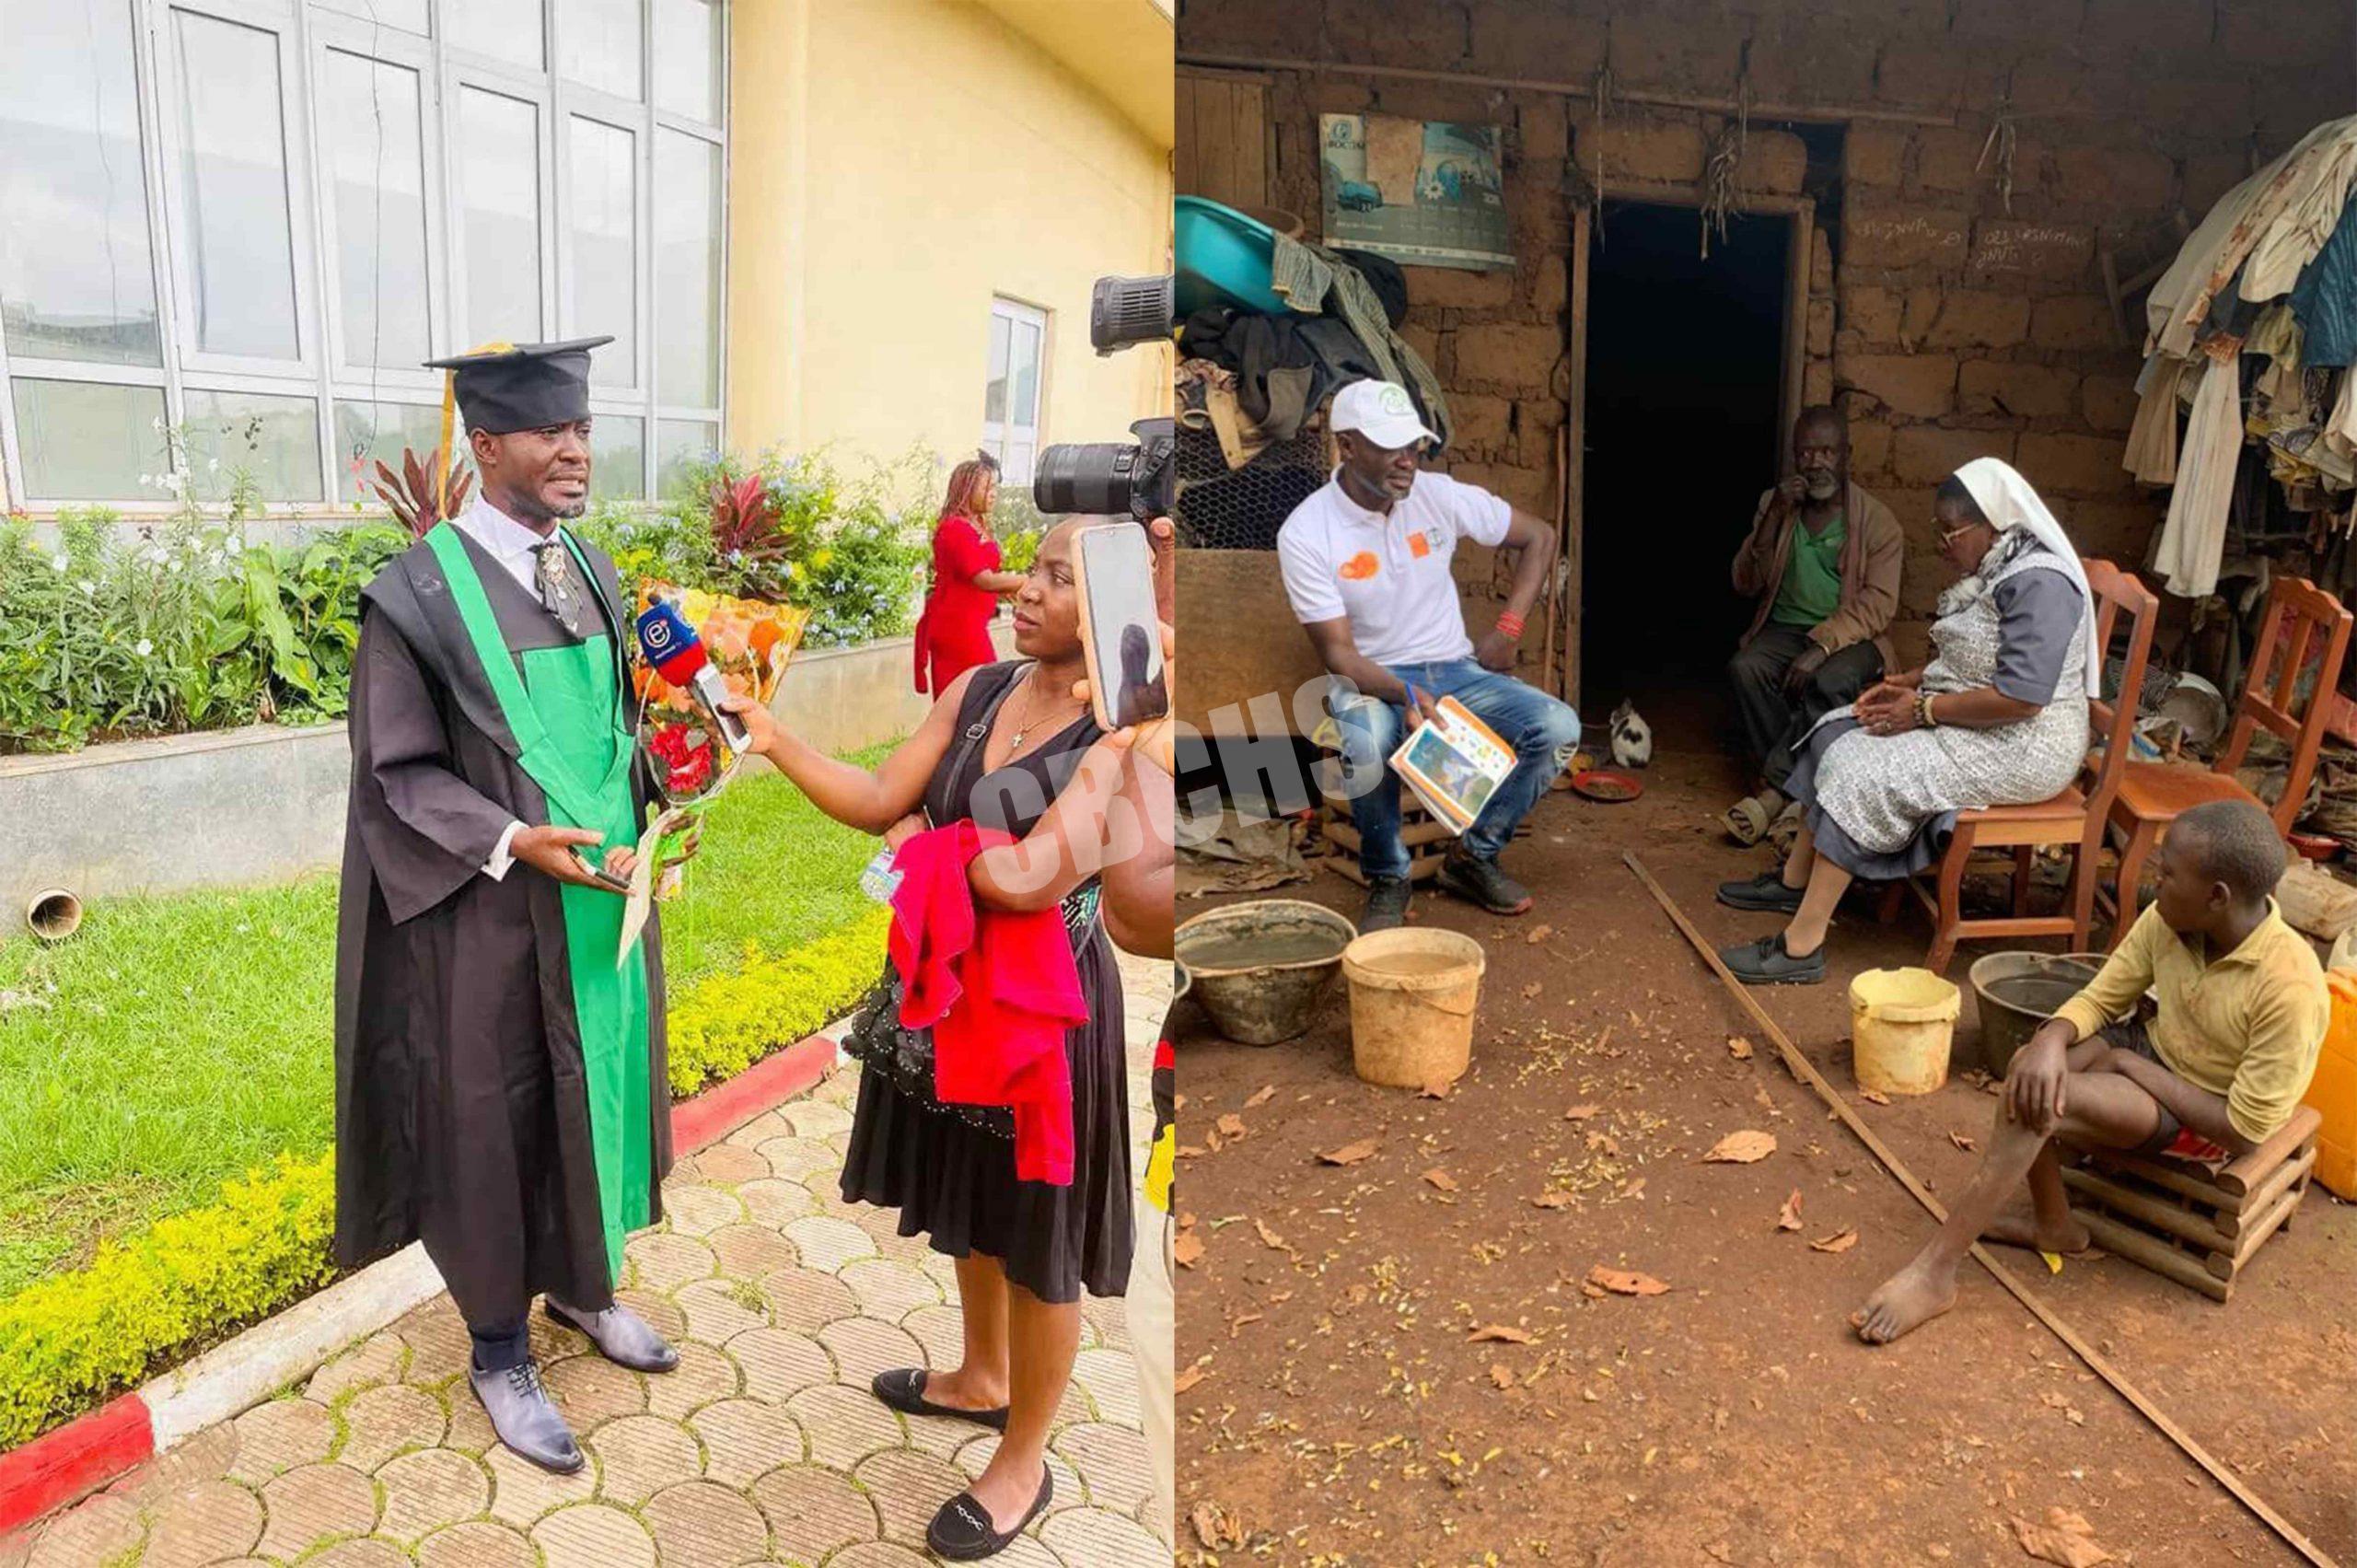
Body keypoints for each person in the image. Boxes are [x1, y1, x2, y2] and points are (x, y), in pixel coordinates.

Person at [722, 517, 1143, 1561]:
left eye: (1055, 578)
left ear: (1114, 608)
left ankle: (1025, 1457)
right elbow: (877, 798)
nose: (1021, 586)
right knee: (969, 1189)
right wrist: (773, 739)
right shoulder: (979, 691)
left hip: (1048, 1017)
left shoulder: (1127, 741)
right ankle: (981, 1375)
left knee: (1039, 1234)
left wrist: (928, 847)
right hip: (950, 995)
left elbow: (1034, 875)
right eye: (1028, 565)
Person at [334, 337, 680, 1477]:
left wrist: (661, 807)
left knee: (602, 1089)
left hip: (601, 909)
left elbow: (624, 720)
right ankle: (496, 1345)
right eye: (549, 432)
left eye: (582, 427)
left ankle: (585, 1286)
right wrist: (510, 839)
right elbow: (398, 768)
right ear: (486, 446)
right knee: (494, 1115)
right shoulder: (416, 595)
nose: (575, 448)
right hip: (490, 917)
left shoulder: (591, 567)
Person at [1852, 799, 2328, 1345]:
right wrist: (2052, 1039)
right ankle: (2056, 1226)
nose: (2156, 878)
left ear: (2216, 897)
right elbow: (2102, 998)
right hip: (2151, 1053)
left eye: (2168, 873)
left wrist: (2127, 1063)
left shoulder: (2289, 987)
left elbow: (2244, 1129)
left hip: (2204, 1115)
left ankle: (1935, 1272)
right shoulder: (2171, 918)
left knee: (2048, 1102)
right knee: (2027, 1071)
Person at [1715, 458, 2100, 985]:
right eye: (1938, 530)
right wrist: (1912, 682)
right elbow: (1977, 659)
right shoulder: (1994, 567)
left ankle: (1802, 945)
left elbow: (2022, 697)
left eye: (1951, 532)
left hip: (2024, 745)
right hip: (1977, 718)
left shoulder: (2040, 585)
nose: (1943, 544)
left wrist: (1922, 710)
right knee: (1835, 728)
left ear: (1992, 523)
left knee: (1860, 769)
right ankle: (1795, 879)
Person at [1277, 377, 1581, 932]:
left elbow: (1540, 536)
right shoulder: (1308, 531)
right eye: (1390, 446)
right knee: (1369, 739)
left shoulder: (1438, 496)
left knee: (1557, 728)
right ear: (1347, 446)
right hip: (1370, 678)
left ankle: (1474, 856)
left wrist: (1508, 629)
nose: (1408, 461)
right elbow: (1340, 655)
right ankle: (1389, 877)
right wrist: (1408, 694)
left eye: (1413, 445)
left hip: (1455, 669)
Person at [1723, 406, 1903, 847]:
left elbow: (1879, 604)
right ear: (1794, 458)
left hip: (1851, 636)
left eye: (1827, 452)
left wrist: (1822, 646)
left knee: (1832, 680)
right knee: (1746, 667)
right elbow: (1744, 583)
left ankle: (1775, 792)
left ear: (1847, 456)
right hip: (1783, 629)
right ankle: (1791, 796)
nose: (1816, 462)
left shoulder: (1878, 522)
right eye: (1806, 453)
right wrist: (1773, 518)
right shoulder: (1775, 505)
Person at [915, 452, 1026, 697]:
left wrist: (1007, 589)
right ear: (966, 489)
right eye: (987, 488)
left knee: (977, 693)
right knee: (975, 693)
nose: (993, 494)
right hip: (957, 626)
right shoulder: (956, 528)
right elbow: (984, 580)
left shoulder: (975, 525)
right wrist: (1029, 581)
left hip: (970, 623)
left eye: (995, 487)